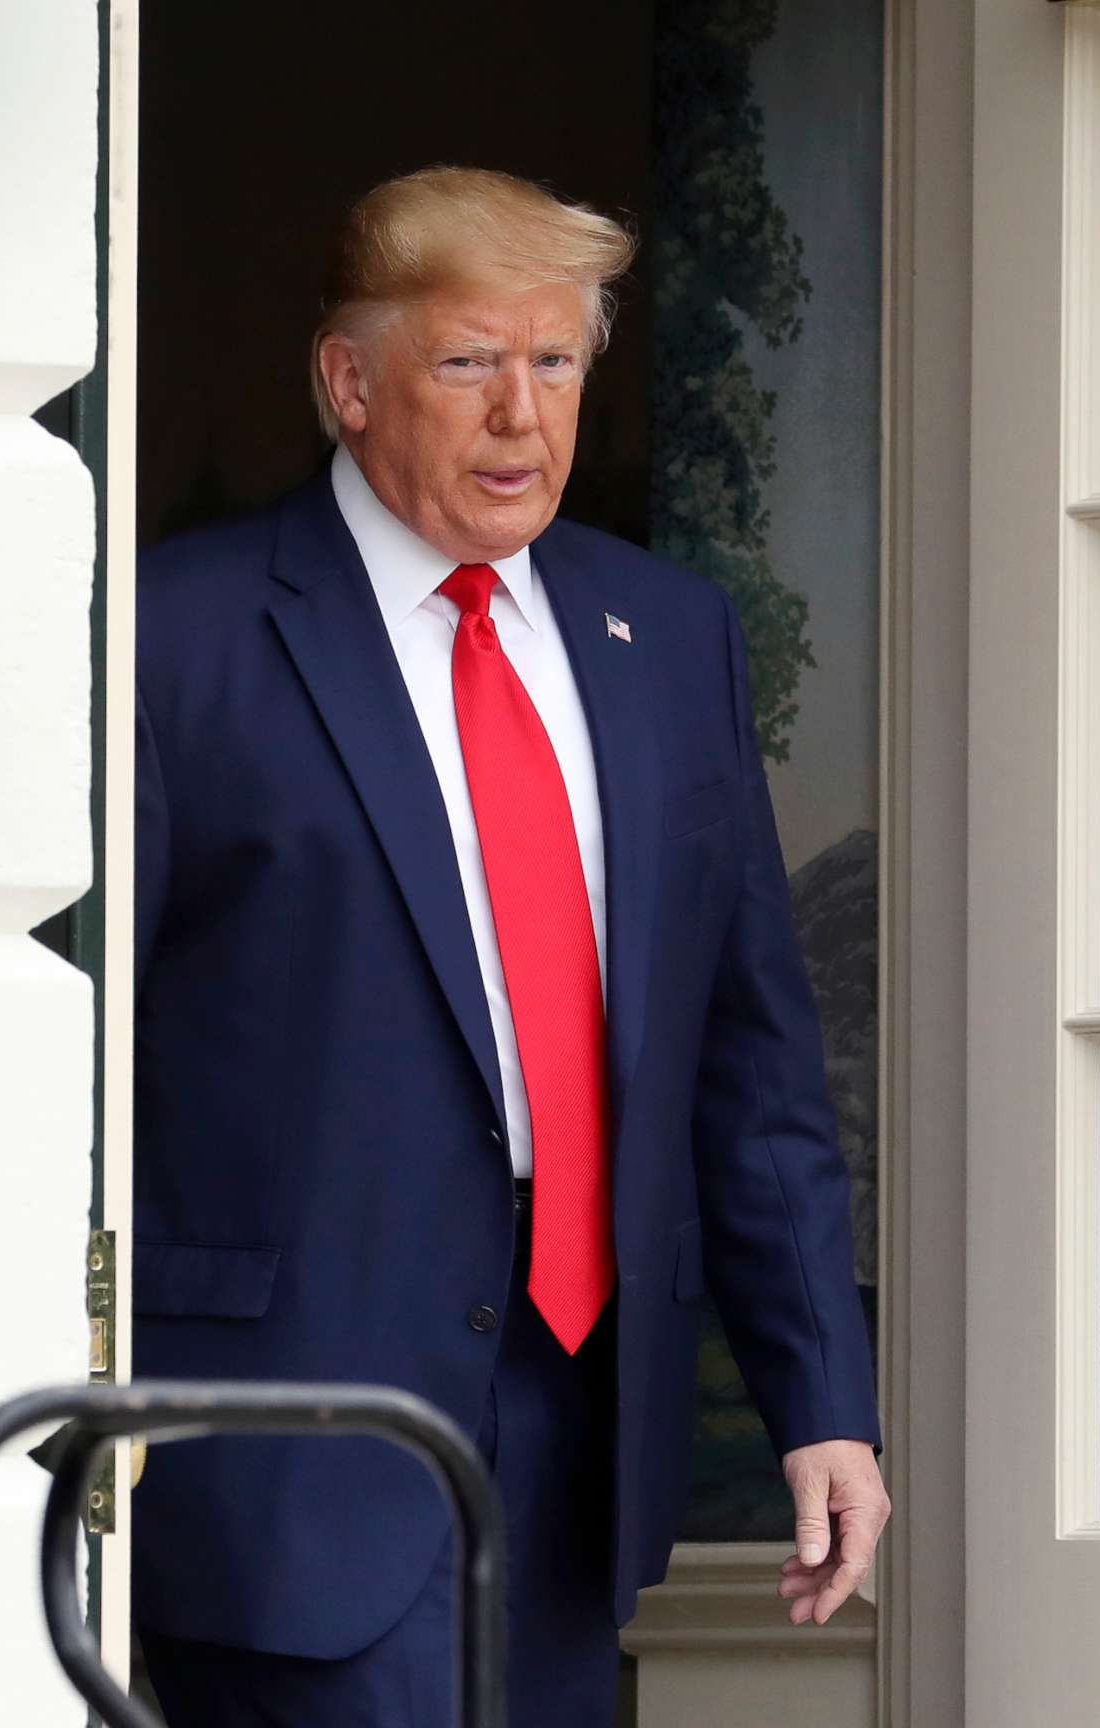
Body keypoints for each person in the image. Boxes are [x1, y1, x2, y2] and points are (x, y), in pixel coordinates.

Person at [129, 166, 886, 1726]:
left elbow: (751, 1058)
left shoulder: (668, 635)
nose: (522, 418)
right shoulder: (174, 636)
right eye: (469, 363)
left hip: (579, 1433)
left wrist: (822, 1401)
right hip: (290, 1436)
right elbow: (63, 1053)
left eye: (557, 364)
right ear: (348, 381)